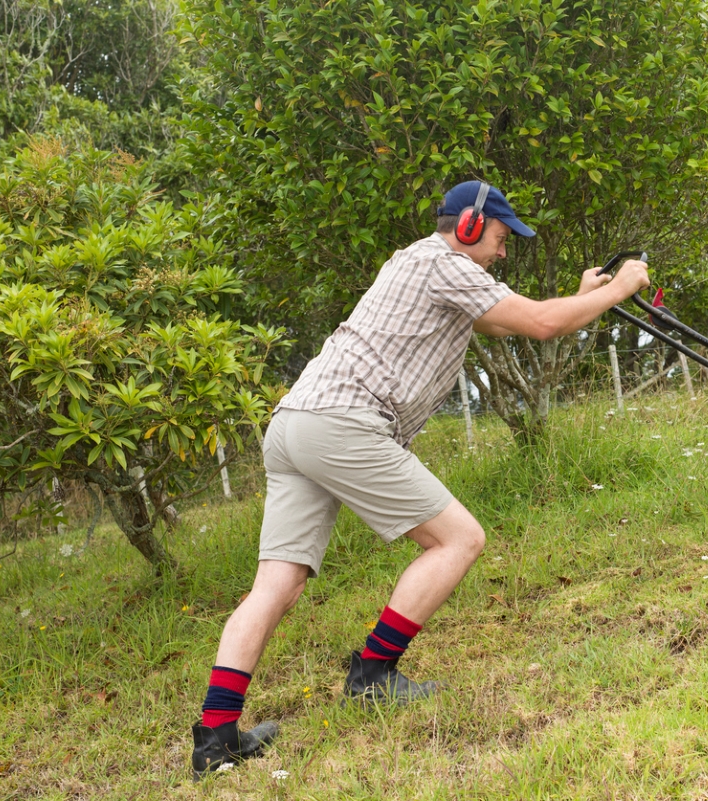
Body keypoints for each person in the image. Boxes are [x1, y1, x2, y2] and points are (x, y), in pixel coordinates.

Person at [190, 180, 650, 778]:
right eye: (501, 238)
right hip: (344, 424)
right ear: (467, 226)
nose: (503, 252)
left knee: (276, 584)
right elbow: (539, 324)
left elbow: (504, 321)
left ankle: (216, 737)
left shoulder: (417, 260)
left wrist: (583, 295)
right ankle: (374, 675)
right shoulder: (446, 264)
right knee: (459, 539)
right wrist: (619, 289)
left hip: (295, 422)